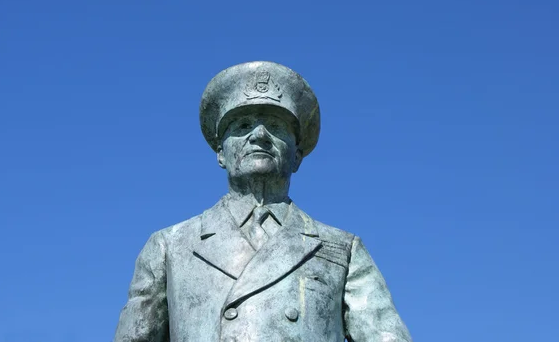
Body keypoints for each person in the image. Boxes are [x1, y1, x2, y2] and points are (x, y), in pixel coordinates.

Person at [114, 61, 412, 342]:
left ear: (296, 156)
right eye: (242, 126)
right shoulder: (170, 247)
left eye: (275, 126)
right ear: (220, 153)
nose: (259, 135)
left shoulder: (342, 250)